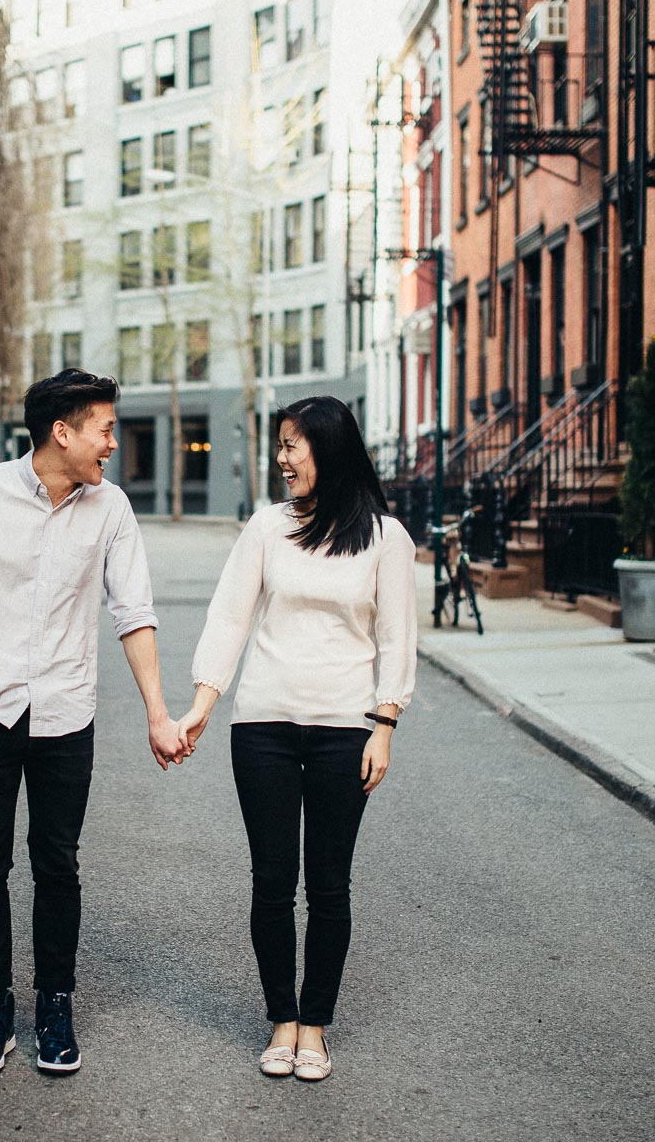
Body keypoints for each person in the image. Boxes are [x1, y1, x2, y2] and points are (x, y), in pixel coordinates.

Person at [0, 369, 190, 1077]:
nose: (113, 443)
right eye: (105, 429)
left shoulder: (110, 509)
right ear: (63, 431)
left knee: (58, 863)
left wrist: (158, 715)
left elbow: (133, 613)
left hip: (65, 713)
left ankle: (54, 1005)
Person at [178, 396, 418, 1083]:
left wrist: (386, 723)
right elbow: (229, 618)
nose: (281, 458)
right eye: (278, 446)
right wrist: (202, 704)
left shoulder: (384, 537)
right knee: (272, 881)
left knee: (331, 886)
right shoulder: (265, 528)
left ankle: (315, 1027)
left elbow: (398, 637)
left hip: (346, 730)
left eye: (292, 445)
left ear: (329, 449)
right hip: (263, 726)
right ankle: (281, 1018)